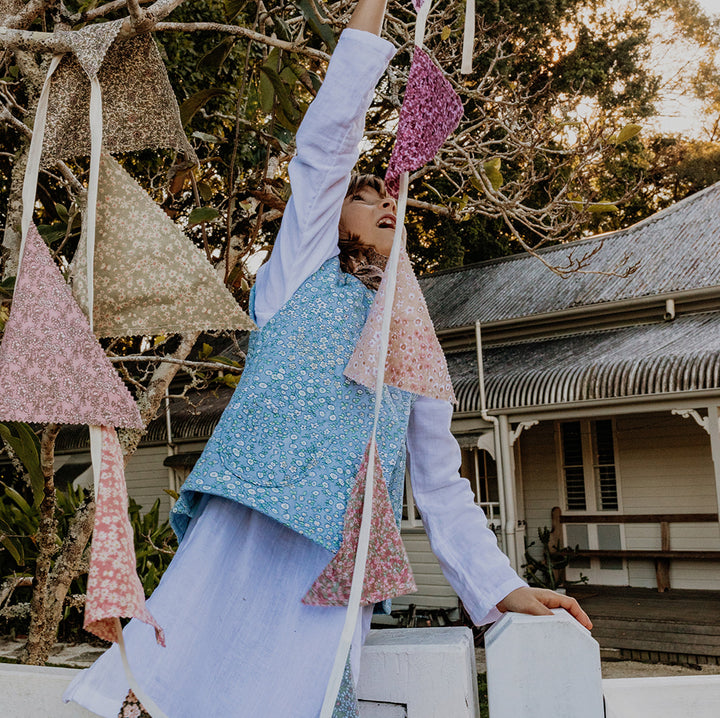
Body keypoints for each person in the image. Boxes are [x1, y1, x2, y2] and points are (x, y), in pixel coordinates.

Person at [64, 1, 591, 716]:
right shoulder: (297, 274)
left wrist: (500, 588)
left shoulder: (413, 327)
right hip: (243, 528)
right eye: (365, 195)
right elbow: (327, 146)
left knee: (296, 701)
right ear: (327, 217)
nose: (383, 201)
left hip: (334, 570)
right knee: (163, 683)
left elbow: (439, 483)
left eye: (388, 196)